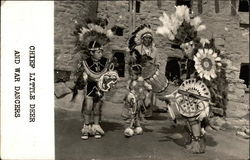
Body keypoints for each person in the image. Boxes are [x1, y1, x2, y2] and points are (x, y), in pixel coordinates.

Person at [69, 18, 117, 140]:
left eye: (101, 51)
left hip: (99, 88)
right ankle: (86, 127)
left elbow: (109, 75)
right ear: (92, 53)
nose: (101, 53)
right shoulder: (86, 62)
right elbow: (83, 75)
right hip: (90, 87)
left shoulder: (105, 62)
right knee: (88, 107)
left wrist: (110, 79)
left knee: (97, 108)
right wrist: (84, 78)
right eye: (98, 51)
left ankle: (96, 126)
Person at [128, 24, 159, 118]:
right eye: (146, 38)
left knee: (149, 93)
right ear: (142, 39)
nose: (148, 40)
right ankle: (136, 113)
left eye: (150, 38)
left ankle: (148, 112)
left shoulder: (155, 50)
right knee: (138, 92)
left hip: (150, 74)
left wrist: (155, 70)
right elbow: (132, 62)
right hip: (139, 74)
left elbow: (157, 62)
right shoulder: (137, 49)